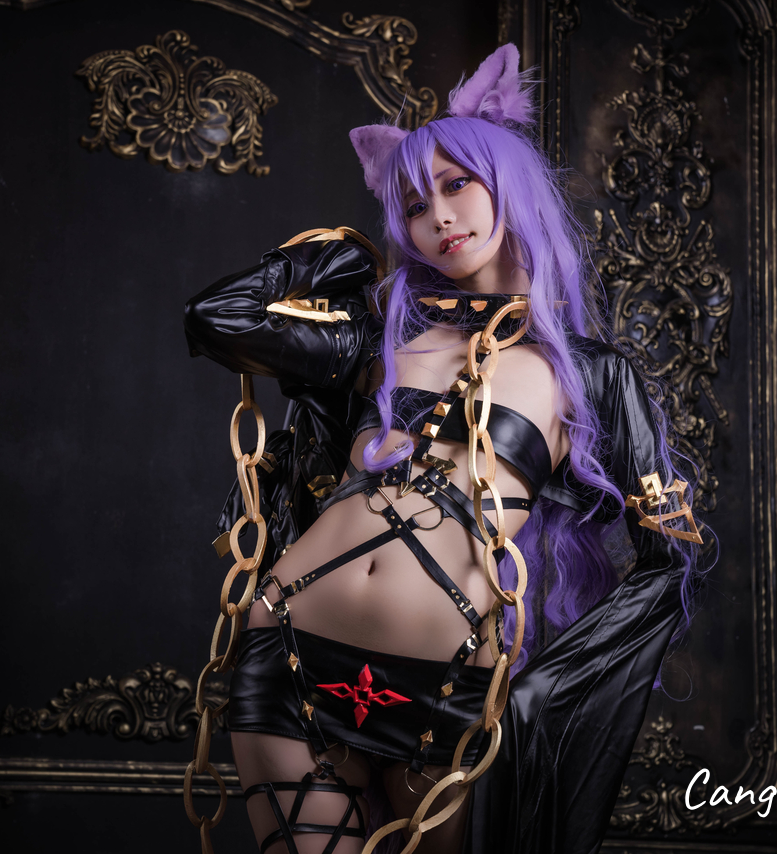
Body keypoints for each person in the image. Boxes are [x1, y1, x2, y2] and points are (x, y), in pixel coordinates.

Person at [183, 44, 705, 854]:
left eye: (458, 184)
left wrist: (547, 693)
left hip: (453, 691)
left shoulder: (589, 376)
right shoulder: (375, 340)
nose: (439, 217)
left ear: (509, 185)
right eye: (415, 204)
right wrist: (331, 254)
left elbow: (669, 559)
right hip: (287, 651)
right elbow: (217, 320)